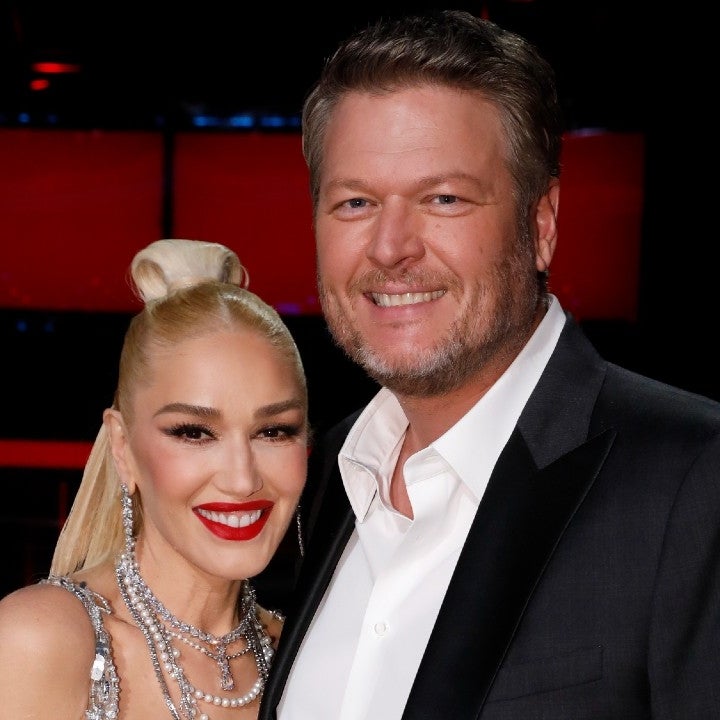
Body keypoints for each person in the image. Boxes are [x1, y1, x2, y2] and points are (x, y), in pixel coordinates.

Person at [257, 9, 720, 720]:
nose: (390, 246)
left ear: (541, 225)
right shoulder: (317, 480)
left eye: (443, 199)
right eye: (356, 202)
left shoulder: (695, 479)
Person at [0, 238, 310, 719]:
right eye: (194, 432)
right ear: (122, 446)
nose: (241, 478)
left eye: (274, 431)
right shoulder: (38, 641)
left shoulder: (309, 662)